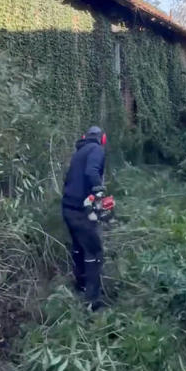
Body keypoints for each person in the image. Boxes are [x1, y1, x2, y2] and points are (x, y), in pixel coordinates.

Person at [61, 126, 108, 311]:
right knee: (94, 251)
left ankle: (79, 286)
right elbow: (91, 172)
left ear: (84, 137)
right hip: (81, 210)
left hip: (68, 208)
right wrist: (99, 191)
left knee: (79, 248)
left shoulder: (78, 153)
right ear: (102, 139)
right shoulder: (96, 150)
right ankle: (92, 301)